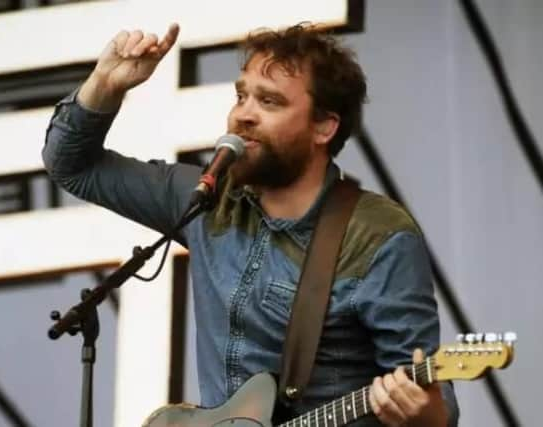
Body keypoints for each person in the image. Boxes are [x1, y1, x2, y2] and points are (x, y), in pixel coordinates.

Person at [43, 22, 458, 426]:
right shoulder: (206, 199)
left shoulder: (377, 236)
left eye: (270, 102)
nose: (243, 115)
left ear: (324, 126)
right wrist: (105, 83)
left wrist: (427, 415)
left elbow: (434, 400)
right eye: (241, 96)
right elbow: (71, 165)